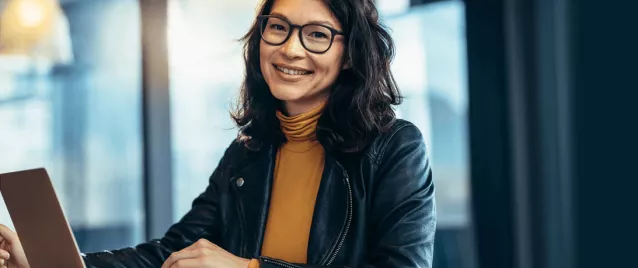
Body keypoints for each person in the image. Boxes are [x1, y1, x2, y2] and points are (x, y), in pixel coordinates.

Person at [0, 0, 436, 267]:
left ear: (349, 53)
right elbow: (169, 254)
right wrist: (49, 261)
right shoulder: (248, 153)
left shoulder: (396, 148)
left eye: (317, 35)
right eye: (278, 27)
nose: (290, 48)